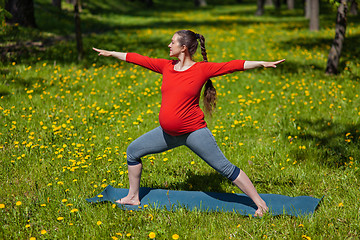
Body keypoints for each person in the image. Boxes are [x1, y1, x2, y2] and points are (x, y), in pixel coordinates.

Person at [93, 30, 285, 217]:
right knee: (133, 151)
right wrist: (112, 53)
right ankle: (133, 197)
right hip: (167, 134)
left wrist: (261, 63)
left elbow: (232, 65)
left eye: (172, 42)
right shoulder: (166, 66)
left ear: (183, 48)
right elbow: (139, 59)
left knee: (225, 168)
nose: (169, 45)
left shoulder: (201, 69)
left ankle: (261, 204)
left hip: (194, 133)